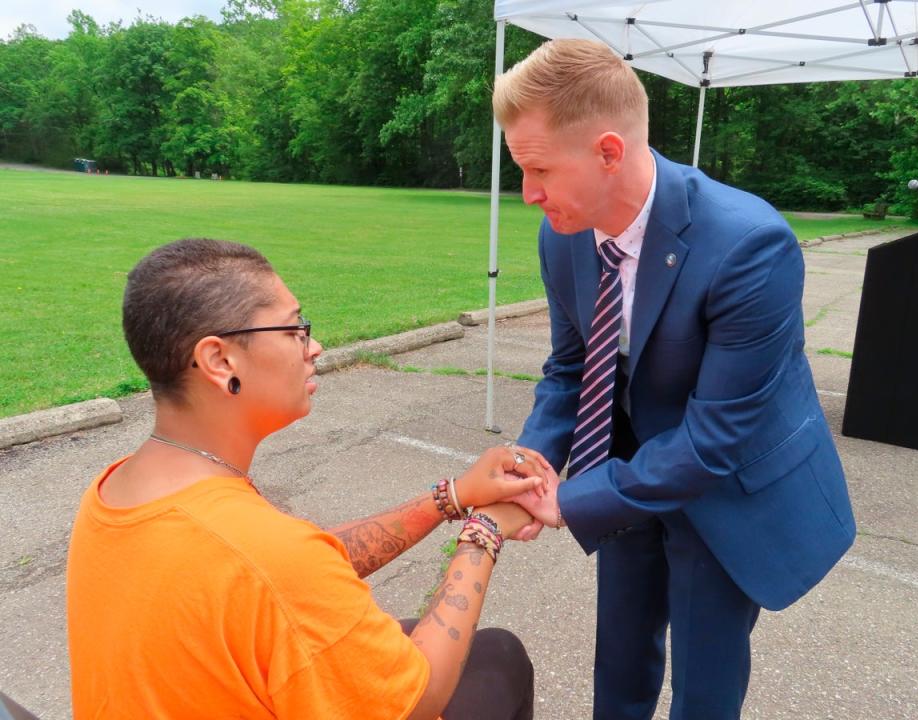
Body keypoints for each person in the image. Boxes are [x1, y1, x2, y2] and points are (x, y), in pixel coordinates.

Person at [494, 39, 856, 720]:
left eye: (538, 168)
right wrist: (529, 464)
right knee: (621, 659)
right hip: (627, 469)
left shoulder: (750, 245)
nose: (528, 195)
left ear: (608, 152)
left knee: (705, 686)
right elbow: (570, 369)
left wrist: (570, 502)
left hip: (725, 491)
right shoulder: (561, 233)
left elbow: (718, 437)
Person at [66, 238, 551, 720]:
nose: (313, 345)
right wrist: (484, 529)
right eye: (295, 328)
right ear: (219, 361)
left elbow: (295, 570)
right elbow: (419, 700)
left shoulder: (116, 491)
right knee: (498, 658)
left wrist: (454, 496)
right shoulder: (267, 557)